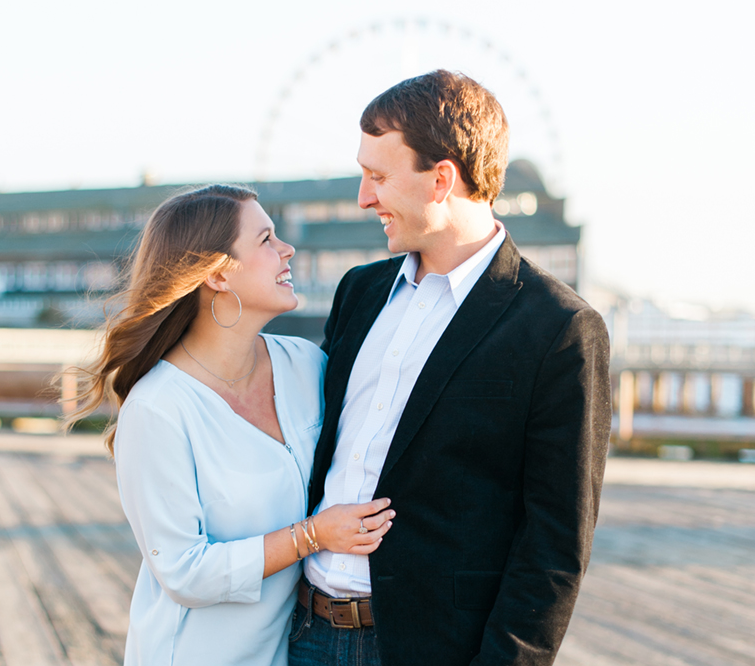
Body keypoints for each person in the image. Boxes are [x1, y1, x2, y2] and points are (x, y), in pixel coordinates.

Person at [289, 71, 612, 666]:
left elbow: (555, 546)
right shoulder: (358, 292)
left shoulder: (559, 328)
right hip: (301, 633)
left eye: (379, 177)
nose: (364, 198)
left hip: (430, 651)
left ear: (442, 179)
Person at [65, 185, 396, 666]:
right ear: (219, 273)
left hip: (293, 651)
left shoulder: (306, 366)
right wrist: (313, 535)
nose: (287, 250)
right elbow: (182, 572)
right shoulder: (158, 407)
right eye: (266, 239)